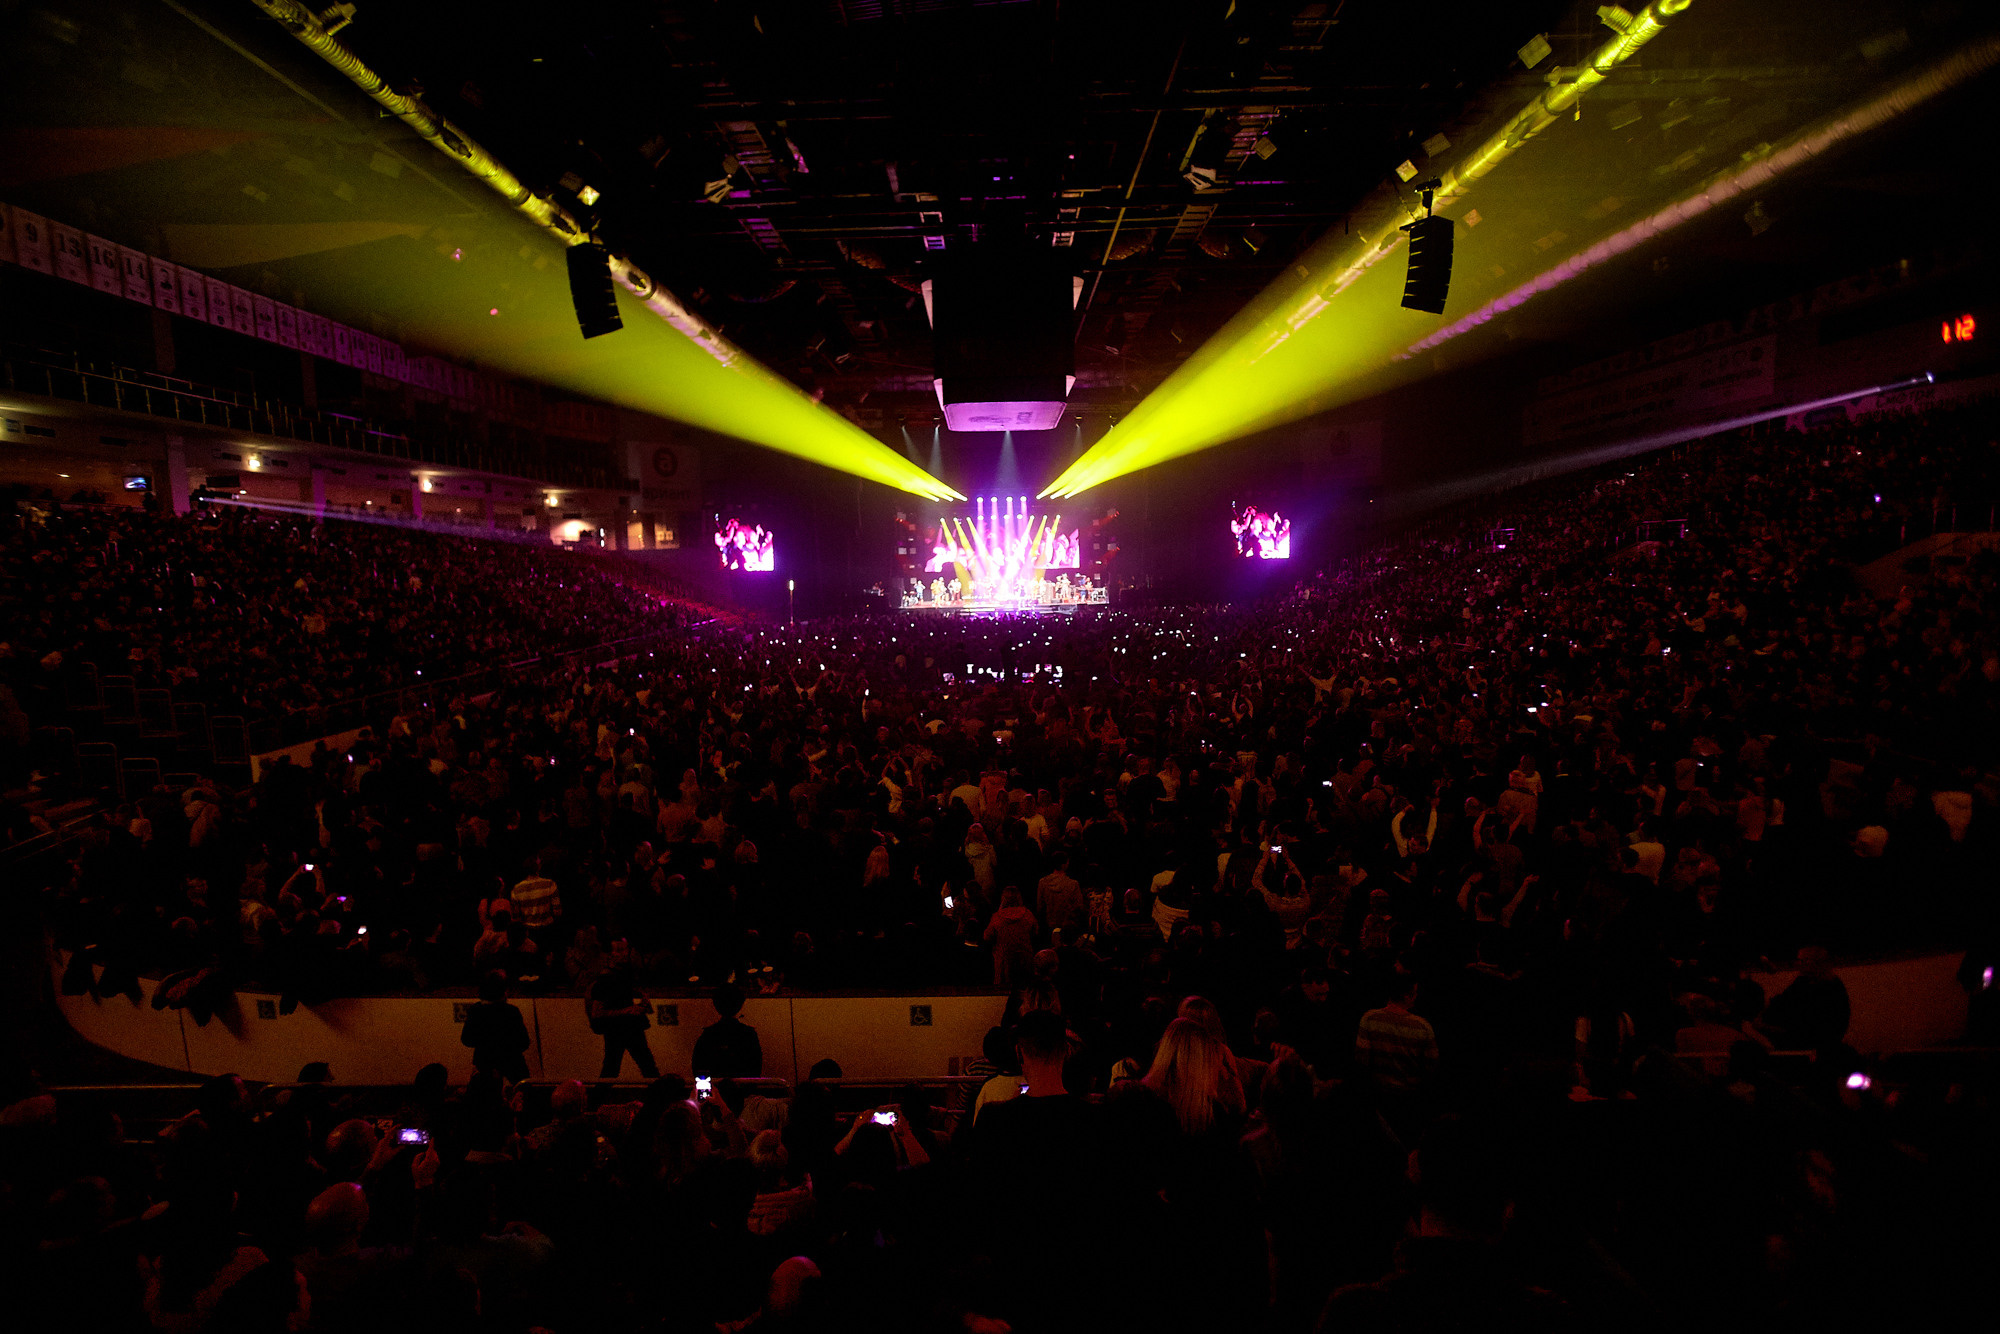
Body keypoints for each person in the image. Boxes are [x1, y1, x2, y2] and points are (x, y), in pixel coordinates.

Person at [587, 938, 657, 1079]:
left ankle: (594, 1100)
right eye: (619, 950)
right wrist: (629, 1010)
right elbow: (597, 1013)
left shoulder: (621, 975)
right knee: (646, 1067)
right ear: (610, 954)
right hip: (621, 1029)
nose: (624, 954)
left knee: (612, 1070)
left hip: (621, 1029)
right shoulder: (606, 980)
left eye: (624, 949)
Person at [459, 971, 531, 1082]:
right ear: (504, 991)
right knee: (523, 1089)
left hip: (484, 1060)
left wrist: (485, 1043)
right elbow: (524, 1042)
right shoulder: (511, 1011)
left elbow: (466, 1040)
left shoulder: (476, 1011)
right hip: (511, 1060)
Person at [693, 984, 763, 1077]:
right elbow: (755, 1068)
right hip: (742, 1089)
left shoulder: (709, 1035)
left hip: (714, 1089)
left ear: (716, 1005)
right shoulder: (748, 1034)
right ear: (740, 1004)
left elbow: (698, 1067)